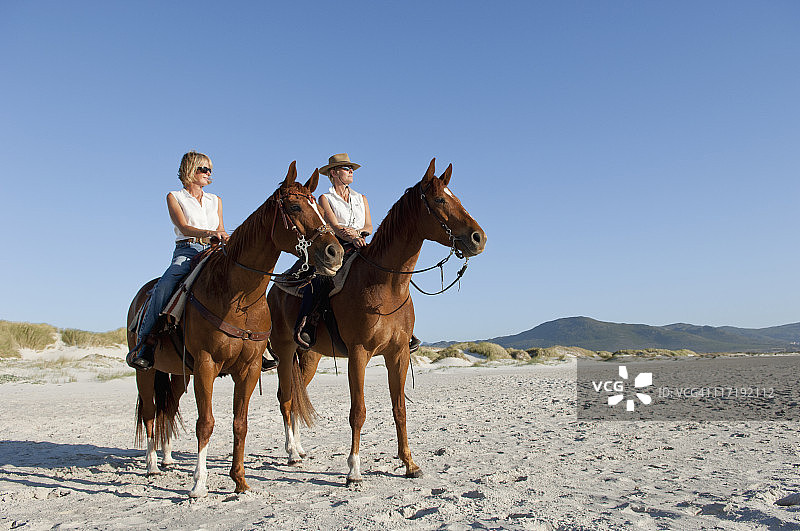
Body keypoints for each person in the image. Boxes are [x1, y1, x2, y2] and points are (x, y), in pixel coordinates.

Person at [293, 153, 420, 353]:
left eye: (351, 168)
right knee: (320, 279)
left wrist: (360, 234)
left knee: (392, 275)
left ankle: (403, 327)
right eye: (346, 168)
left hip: (362, 243)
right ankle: (309, 322)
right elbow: (333, 225)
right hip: (337, 245)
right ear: (334, 173)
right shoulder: (325, 198)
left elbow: (369, 225)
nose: (351, 171)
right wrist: (349, 235)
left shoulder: (361, 198)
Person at [127, 151, 230, 370]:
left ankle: (260, 343)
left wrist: (223, 236)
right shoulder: (175, 196)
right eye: (204, 169)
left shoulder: (216, 200)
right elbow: (184, 227)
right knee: (166, 283)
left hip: (214, 250)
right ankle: (145, 342)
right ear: (190, 170)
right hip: (188, 250)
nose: (208, 173)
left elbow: (220, 227)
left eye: (210, 169)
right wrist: (211, 232)